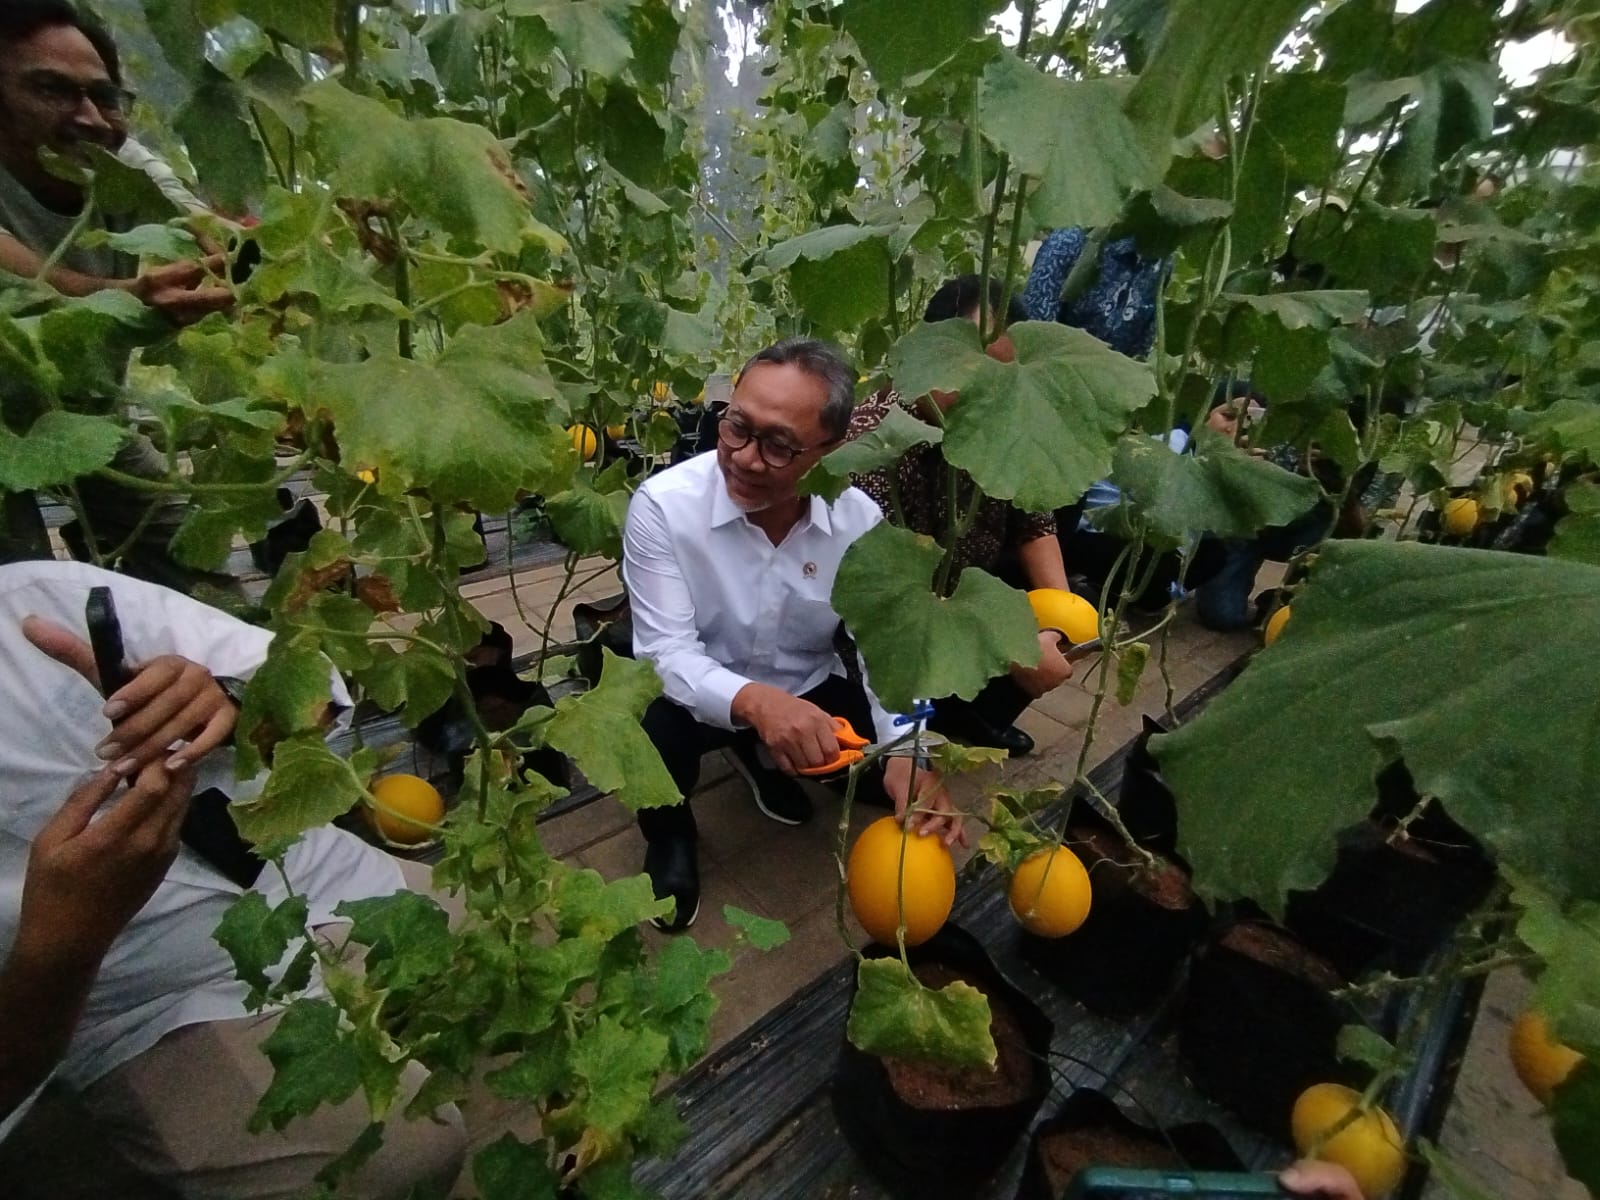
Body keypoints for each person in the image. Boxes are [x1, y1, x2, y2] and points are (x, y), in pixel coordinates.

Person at [0, 559, 466, 1198]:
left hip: (320, 879)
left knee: (536, 942)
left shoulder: (37, 599)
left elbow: (308, 684)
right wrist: (66, 941)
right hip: (157, 1007)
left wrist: (231, 700)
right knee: (402, 1158)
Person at [622, 338, 962, 933]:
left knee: (885, 764)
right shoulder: (664, 507)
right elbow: (665, 653)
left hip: (803, 685)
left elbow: (886, 648)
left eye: (778, 445)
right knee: (650, 724)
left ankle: (763, 757)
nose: (746, 459)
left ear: (831, 451)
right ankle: (670, 833)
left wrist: (908, 750)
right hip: (691, 691)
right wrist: (757, 704)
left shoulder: (860, 524)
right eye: (736, 429)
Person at [0, 2, 236, 593]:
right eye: (52, 90)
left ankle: (233, 675)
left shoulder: (119, 156)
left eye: (104, 97)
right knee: (17, 585)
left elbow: (211, 234)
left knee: (186, 551)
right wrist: (131, 299)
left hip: (81, 408)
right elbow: (35, 287)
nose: (91, 118)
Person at [851, 276, 1074, 757]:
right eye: (970, 369)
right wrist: (1013, 645)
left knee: (1069, 603)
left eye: (1001, 374)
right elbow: (889, 596)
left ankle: (970, 712)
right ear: (931, 350)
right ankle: (921, 721)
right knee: (866, 754)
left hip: (968, 590)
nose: (985, 390)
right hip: (886, 621)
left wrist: (1057, 618)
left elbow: (1035, 523)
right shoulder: (875, 440)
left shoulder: (1005, 429)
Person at [1020, 226, 1167, 359]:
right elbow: (1035, 330)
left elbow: (1142, 346)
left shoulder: (1164, 263)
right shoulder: (1069, 242)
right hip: (1059, 374)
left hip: (1114, 380)